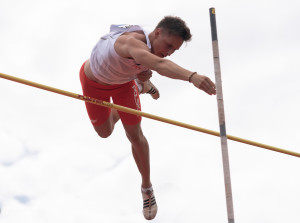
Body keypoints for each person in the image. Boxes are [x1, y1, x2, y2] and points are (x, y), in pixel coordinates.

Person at [79, 16, 216, 220]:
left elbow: (152, 62)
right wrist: (192, 76)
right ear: (158, 32)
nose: (169, 52)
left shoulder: (150, 50)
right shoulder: (130, 42)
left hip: (123, 85)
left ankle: (147, 189)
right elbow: (160, 64)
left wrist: (140, 74)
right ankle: (141, 88)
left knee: (135, 135)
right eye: (168, 45)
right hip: (94, 82)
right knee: (104, 132)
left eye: (173, 50)